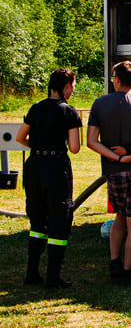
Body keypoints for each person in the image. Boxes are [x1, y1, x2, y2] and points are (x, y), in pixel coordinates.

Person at [87, 60, 131, 284]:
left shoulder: (99, 104)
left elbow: (91, 141)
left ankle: (114, 261)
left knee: (119, 215)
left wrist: (117, 156)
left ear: (116, 79)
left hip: (113, 170)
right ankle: (128, 269)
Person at [16, 68, 82, 288]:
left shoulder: (36, 107)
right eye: (72, 85)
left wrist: (37, 147)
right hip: (56, 168)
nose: (73, 89)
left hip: (34, 166)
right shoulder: (69, 112)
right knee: (59, 219)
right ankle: (53, 277)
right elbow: (74, 148)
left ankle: (31, 273)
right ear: (65, 86)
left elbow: (20, 137)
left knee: (37, 220)